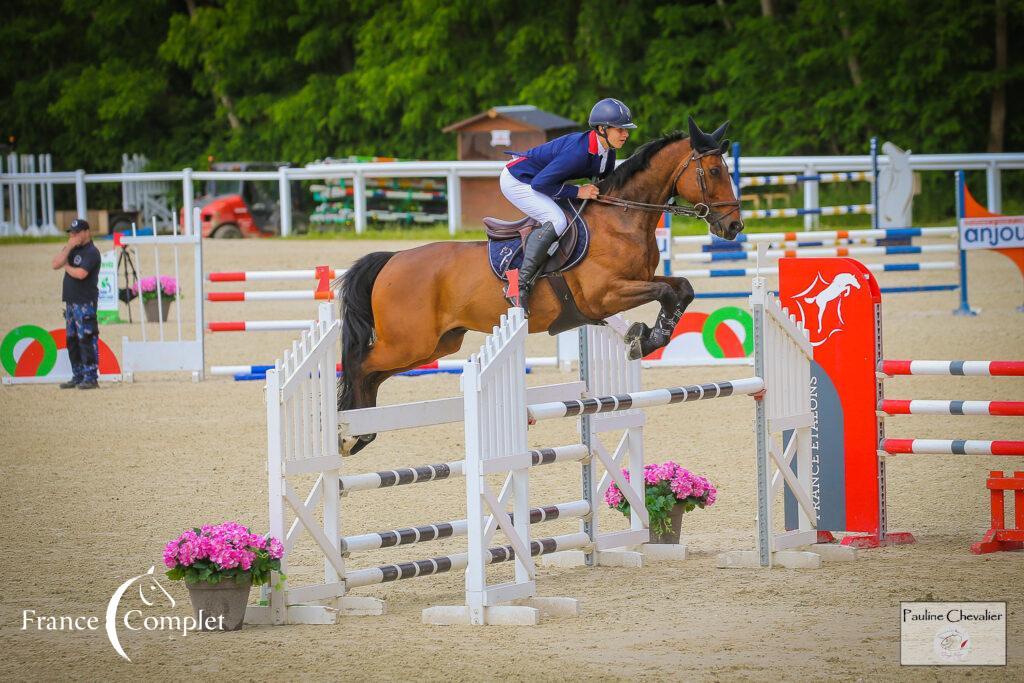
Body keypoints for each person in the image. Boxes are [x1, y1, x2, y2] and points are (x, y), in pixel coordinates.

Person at [499, 97, 637, 314]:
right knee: (557, 220)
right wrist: (578, 191)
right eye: (620, 129)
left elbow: (605, 185)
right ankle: (518, 285)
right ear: (602, 129)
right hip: (519, 180)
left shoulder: (608, 151)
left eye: (626, 130)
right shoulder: (577, 152)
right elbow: (540, 184)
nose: (626, 134)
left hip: (541, 181)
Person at [51, 218, 102, 389]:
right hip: (71, 302)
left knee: (86, 338)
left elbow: (81, 274)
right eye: (72, 233)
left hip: (85, 302)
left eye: (77, 232)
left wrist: (66, 266)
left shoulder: (92, 252)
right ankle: (78, 374)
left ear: (87, 232)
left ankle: (91, 376)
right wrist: (68, 248)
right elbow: (55, 264)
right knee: (71, 340)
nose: (74, 236)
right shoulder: (71, 249)